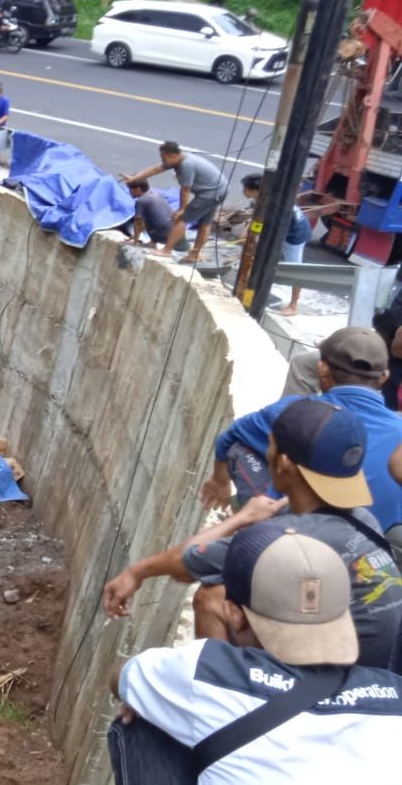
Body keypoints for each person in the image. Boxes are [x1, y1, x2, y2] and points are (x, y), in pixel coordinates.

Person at [103, 399, 402, 672]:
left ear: (283, 463)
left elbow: (188, 562)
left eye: (269, 445)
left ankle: (215, 701)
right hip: (382, 676)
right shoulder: (364, 520)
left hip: (340, 683)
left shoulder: (284, 539)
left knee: (212, 597)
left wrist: (137, 571)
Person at [109, 527, 402, 785]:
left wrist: (152, 699)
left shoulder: (206, 673)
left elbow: (120, 678)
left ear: (235, 615)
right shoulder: (394, 695)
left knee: (146, 720)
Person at [201, 327, 402, 549]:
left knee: (240, 447)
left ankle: (251, 527)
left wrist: (219, 481)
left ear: (322, 369)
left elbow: (229, 437)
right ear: (384, 376)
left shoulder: (298, 411)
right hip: (370, 549)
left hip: (292, 542)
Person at [119, 141, 227, 263]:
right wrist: (135, 178)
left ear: (172, 156)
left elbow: (185, 189)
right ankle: (195, 254)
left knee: (181, 219)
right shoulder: (178, 160)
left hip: (211, 193)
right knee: (205, 223)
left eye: (163, 158)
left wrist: (182, 209)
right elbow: (155, 169)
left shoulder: (187, 165)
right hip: (218, 190)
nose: (162, 161)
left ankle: (167, 250)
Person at [240, 173, 311, 315]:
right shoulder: (260, 199)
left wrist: (252, 236)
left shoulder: (273, 205)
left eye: (245, 188)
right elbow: (257, 219)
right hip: (279, 230)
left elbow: (264, 227)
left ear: (254, 190)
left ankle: (293, 305)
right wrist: (248, 233)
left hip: (295, 235)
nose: (243, 191)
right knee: (251, 254)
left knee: (295, 271)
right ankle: (246, 296)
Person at [123, 179, 178, 249]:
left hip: (163, 236)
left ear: (138, 189)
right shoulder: (157, 193)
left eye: (130, 189)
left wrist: (135, 240)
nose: (129, 192)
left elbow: (138, 223)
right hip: (174, 231)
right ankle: (153, 241)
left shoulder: (141, 201)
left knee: (141, 217)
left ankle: (153, 242)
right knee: (152, 214)